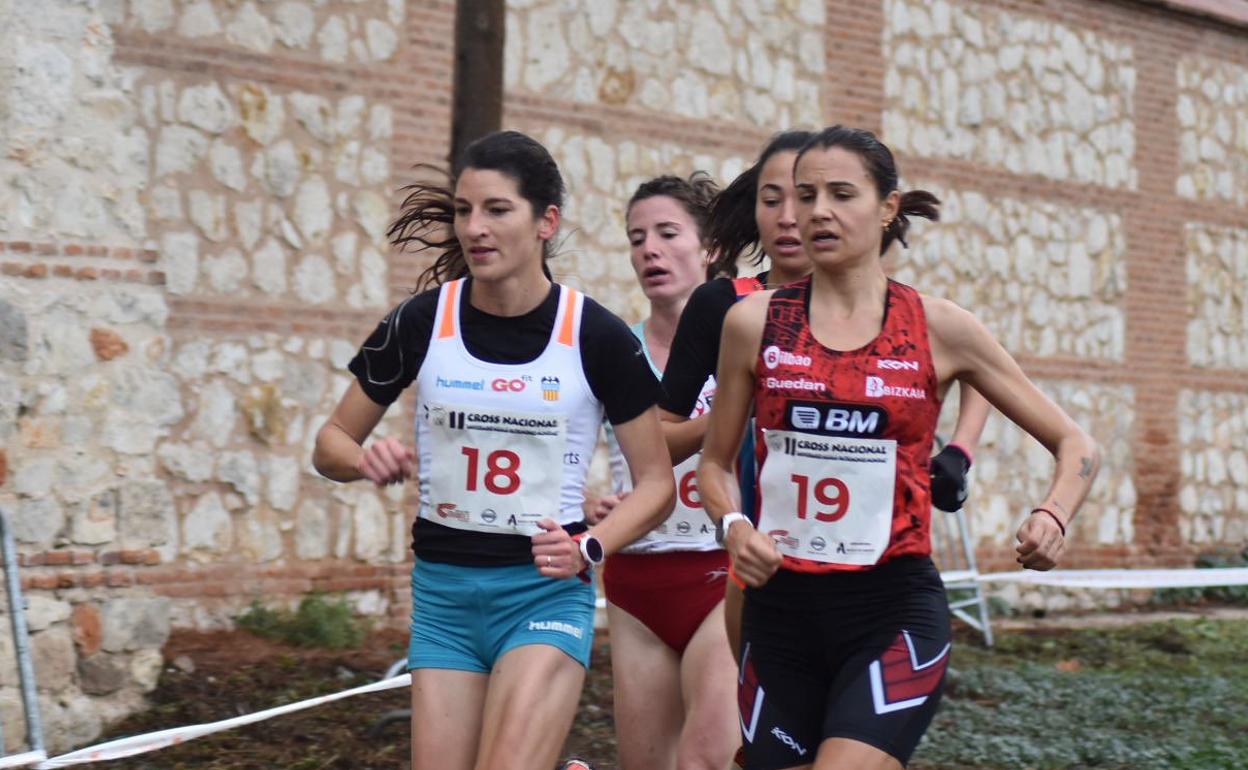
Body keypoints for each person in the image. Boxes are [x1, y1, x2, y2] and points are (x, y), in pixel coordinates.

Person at [698, 125, 1099, 770]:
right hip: (777, 616)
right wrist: (734, 523)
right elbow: (714, 465)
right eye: (805, 195)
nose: (817, 211)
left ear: (888, 207)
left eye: (841, 194)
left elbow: (1075, 442)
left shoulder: (939, 327)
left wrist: (1053, 513)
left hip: (890, 614)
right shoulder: (754, 323)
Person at [311, 130, 675, 770]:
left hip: (541, 594)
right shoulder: (421, 321)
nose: (474, 228)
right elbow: (330, 444)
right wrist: (362, 461)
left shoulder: (595, 335)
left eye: (497, 209)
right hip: (444, 600)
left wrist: (591, 545)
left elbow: (656, 485)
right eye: (463, 210)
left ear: (545, 221)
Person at [658, 131, 990, 666]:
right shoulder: (728, 309)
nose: (796, 216)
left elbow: (976, 366)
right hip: (748, 558)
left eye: (813, 197)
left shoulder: (890, 310)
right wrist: (742, 413)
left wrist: (959, 452)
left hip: (876, 584)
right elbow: (662, 444)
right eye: (774, 200)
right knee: (743, 744)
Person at [588, 174, 739, 770]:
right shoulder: (609, 349)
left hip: (721, 571)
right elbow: (568, 454)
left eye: (667, 233)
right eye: (635, 238)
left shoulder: (750, 341)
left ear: (710, 249)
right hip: (635, 582)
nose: (648, 249)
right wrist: (589, 501)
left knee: (706, 758)